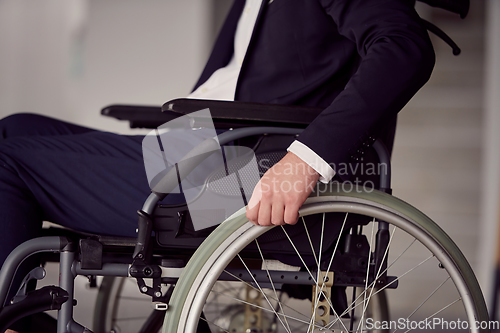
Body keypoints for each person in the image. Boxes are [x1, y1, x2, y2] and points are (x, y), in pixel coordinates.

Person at [0, 0, 434, 331]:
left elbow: (404, 49)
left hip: (242, 173)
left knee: (6, 163)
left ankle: (14, 322)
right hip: (200, 148)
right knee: (13, 130)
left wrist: (303, 161)